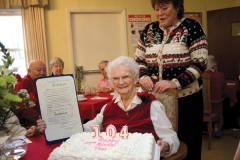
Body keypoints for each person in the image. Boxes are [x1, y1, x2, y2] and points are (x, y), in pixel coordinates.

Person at [37, 56, 180, 158]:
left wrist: (166, 146)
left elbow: (171, 137)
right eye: (116, 78)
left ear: (136, 78)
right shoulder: (108, 107)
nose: (121, 82)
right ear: (111, 82)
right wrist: (55, 124)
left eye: (126, 77)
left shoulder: (152, 106)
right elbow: (88, 128)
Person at [134, 0, 208, 159]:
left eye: (164, 8)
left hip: (187, 100)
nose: (160, 13)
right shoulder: (149, 30)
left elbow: (200, 63)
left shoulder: (192, 27)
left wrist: (174, 83)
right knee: (159, 144)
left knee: (188, 144)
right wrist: (143, 75)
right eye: (156, 9)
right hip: (156, 101)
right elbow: (139, 60)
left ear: (177, 7)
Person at [14, 60, 47, 128]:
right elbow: (22, 106)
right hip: (28, 122)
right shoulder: (24, 82)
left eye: (44, 70)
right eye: (38, 70)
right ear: (29, 71)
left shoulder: (40, 82)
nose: (42, 73)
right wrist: (39, 118)